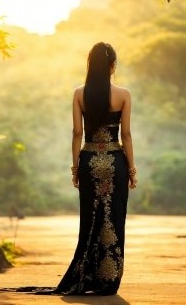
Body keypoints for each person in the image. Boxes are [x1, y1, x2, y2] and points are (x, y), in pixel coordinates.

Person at [56, 41, 137, 295]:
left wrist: (75, 167)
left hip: (90, 161)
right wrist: (132, 169)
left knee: (90, 220)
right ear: (112, 67)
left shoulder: (79, 94)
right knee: (113, 218)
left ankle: (87, 276)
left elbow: (77, 133)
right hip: (115, 163)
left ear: (91, 66)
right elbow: (126, 135)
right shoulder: (123, 94)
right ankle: (108, 280)